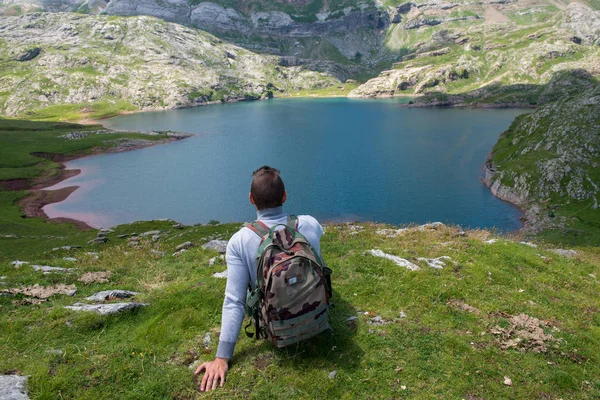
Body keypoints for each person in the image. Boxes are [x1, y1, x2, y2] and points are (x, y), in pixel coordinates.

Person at [194, 166, 325, 391]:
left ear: (251, 200)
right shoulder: (309, 223)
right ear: (284, 196)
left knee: (243, 289)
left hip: (276, 324)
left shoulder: (240, 241)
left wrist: (222, 357)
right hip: (317, 315)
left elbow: (234, 301)